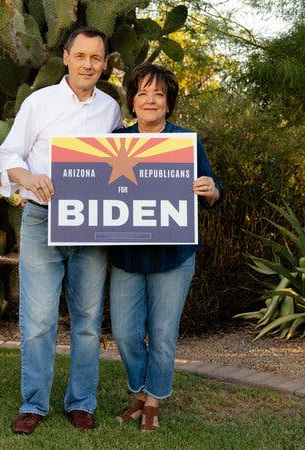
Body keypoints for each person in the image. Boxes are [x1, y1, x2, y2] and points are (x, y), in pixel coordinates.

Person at [0, 26, 122, 435]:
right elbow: (10, 154)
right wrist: (30, 179)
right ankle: (34, 403)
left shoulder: (111, 110)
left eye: (97, 58)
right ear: (66, 57)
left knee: (87, 319)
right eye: (81, 55)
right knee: (37, 319)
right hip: (42, 219)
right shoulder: (39, 102)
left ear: (104, 64)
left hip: (92, 226)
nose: (88, 64)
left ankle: (81, 403)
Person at [109, 63, 222, 431]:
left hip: (173, 255)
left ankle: (151, 400)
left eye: (158, 94)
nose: (150, 100)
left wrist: (209, 190)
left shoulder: (186, 142)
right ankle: (142, 392)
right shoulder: (115, 141)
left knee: (162, 334)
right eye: (142, 93)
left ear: (169, 103)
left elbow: (214, 194)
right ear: (133, 101)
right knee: (125, 333)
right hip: (127, 255)